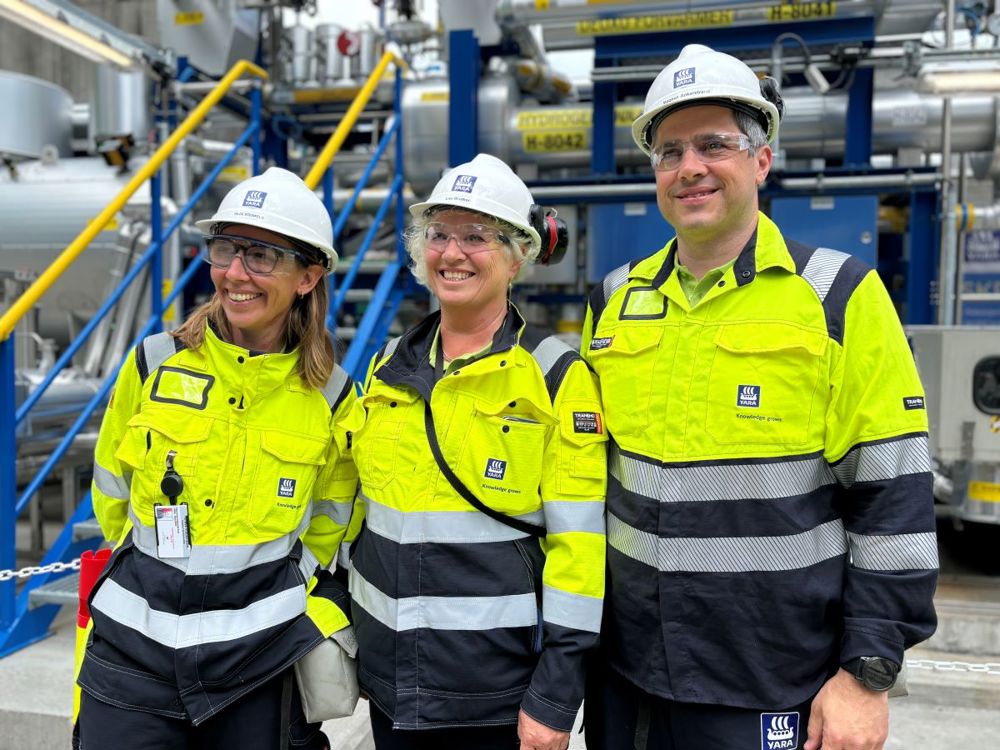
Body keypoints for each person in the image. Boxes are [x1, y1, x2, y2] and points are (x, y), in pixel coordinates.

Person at [582, 44, 938, 750]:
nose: (690, 167)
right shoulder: (614, 302)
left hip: (772, 683)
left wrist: (865, 674)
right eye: (670, 150)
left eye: (715, 144)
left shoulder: (837, 297)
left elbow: (892, 495)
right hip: (625, 679)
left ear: (762, 160)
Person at [79, 167, 363, 749]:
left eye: (261, 255)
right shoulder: (154, 363)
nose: (235, 272)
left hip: (258, 663)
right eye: (225, 248)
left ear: (308, 276)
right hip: (132, 653)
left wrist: (270, 594)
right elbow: (112, 489)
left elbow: (333, 523)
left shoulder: (333, 399)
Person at [345, 153, 607, 750]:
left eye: (477, 236)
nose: (452, 253)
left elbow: (580, 551)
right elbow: (360, 516)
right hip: (387, 687)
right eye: (439, 234)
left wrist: (556, 694)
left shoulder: (554, 378)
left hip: (498, 699)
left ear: (518, 255)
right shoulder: (388, 367)